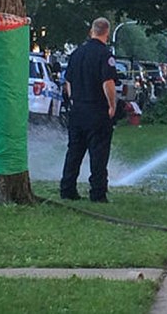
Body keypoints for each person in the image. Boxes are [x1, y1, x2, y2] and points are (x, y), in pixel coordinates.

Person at [60, 17, 118, 203]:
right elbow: (107, 83)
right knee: (99, 153)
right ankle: (98, 192)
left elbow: (68, 83)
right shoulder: (105, 55)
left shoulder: (76, 53)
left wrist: (74, 99)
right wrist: (112, 105)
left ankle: (67, 189)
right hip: (97, 110)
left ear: (91, 31)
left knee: (74, 151)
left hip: (77, 110)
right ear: (107, 33)